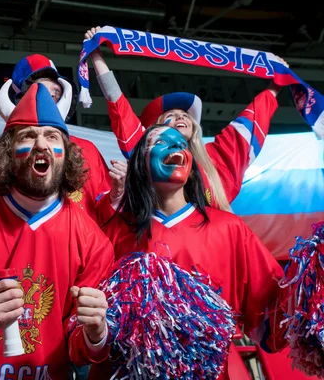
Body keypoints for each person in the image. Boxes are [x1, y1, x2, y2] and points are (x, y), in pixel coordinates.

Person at [0, 83, 114, 379]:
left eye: (51, 137)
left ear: (66, 154)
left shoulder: (94, 242)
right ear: (8, 152)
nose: (41, 145)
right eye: (29, 136)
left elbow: (79, 350)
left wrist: (96, 333)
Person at [90, 124, 288, 379]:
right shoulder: (114, 229)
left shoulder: (229, 227)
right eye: (161, 143)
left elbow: (273, 316)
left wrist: (309, 282)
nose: (176, 146)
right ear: (140, 162)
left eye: (182, 144)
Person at [85, 27, 288, 212]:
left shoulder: (215, 158)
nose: (181, 117)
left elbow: (251, 120)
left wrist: (275, 86)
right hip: (160, 246)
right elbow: (118, 104)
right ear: (152, 133)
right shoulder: (147, 152)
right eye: (170, 117)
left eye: (185, 115)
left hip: (213, 247)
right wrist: (96, 56)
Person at [0, 54, 112, 221]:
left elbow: (105, 211)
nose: (50, 97)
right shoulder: (7, 152)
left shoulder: (87, 149)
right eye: (40, 91)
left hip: (84, 243)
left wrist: (116, 196)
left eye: (56, 92)